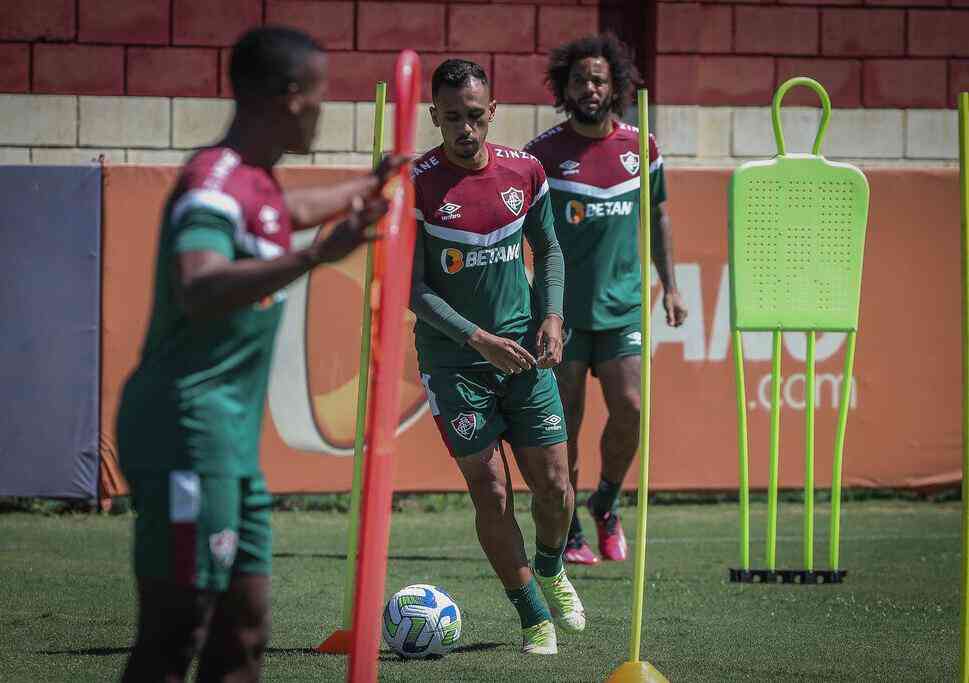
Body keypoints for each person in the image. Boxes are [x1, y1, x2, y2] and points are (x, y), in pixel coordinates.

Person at [116, 27, 402, 682]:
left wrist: (368, 186)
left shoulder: (258, 184)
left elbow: (286, 208)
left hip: (231, 445)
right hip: (185, 429)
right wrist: (315, 258)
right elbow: (197, 283)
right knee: (175, 628)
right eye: (324, 95)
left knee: (244, 631)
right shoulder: (213, 181)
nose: (326, 111)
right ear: (292, 97)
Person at [410, 59, 584, 655]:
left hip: (525, 354)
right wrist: (477, 339)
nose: (466, 129)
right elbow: (415, 290)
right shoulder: (416, 183)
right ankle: (533, 613)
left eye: (475, 116)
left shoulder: (526, 171)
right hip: (455, 362)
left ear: (493, 112)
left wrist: (553, 318)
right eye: (452, 118)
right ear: (434, 116)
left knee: (556, 487)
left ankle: (552, 564)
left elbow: (550, 253)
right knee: (491, 491)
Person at [525, 34, 688, 566]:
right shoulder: (543, 154)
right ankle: (569, 526)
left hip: (622, 310)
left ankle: (607, 503)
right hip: (561, 316)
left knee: (631, 408)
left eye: (598, 79)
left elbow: (658, 216)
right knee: (564, 424)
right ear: (563, 88)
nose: (589, 88)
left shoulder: (643, 147)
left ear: (615, 85)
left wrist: (673, 285)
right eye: (579, 80)